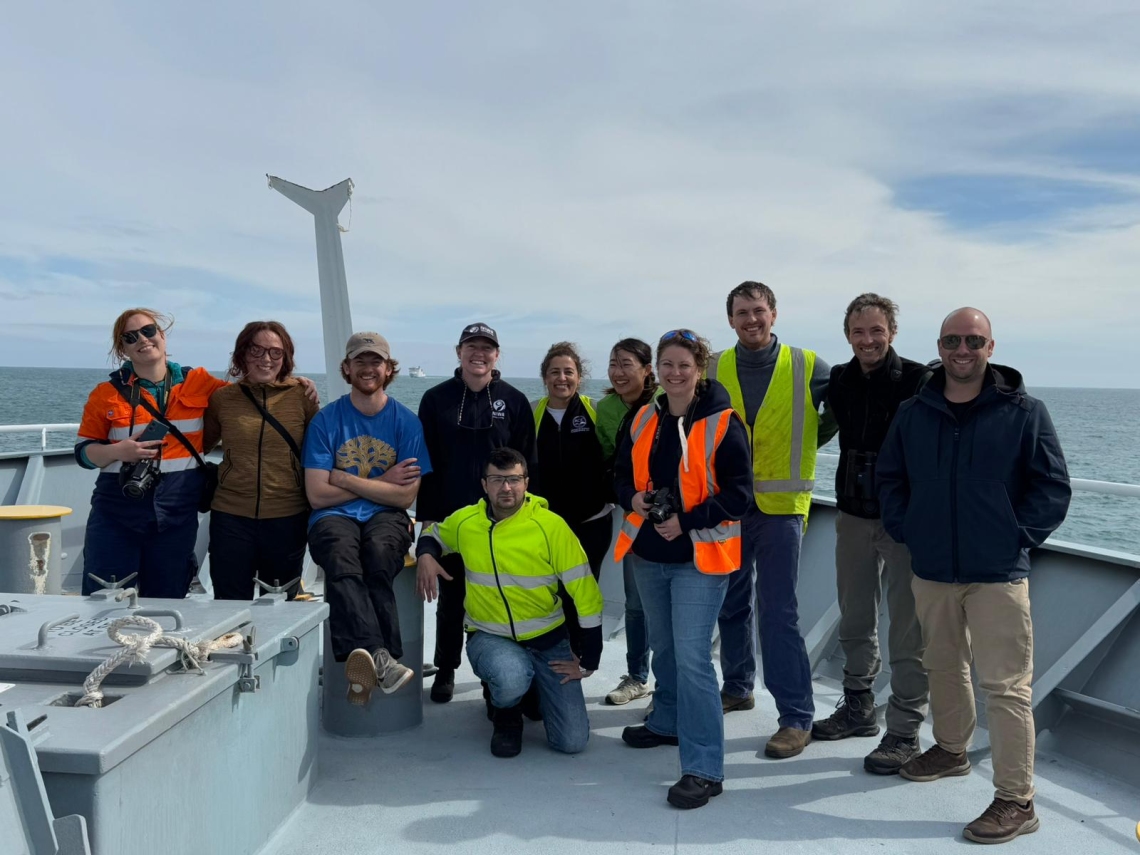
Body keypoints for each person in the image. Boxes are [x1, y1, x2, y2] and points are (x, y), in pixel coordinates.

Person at [877, 307, 1070, 844]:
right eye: (952, 340)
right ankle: (951, 749)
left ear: (991, 346)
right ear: (939, 347)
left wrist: (1014, 536)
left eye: (974, 340)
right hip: (932, 567)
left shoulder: (1025, 412)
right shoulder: (915, 412)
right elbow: (890, 478)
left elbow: (1051, 488)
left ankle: (1016, 799)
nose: (962, 350)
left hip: (996, 574)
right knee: (941, 664)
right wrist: (911, 529)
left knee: (1005, 687)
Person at [614, 329, 752, 809]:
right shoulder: (642, 418)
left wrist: (686, 521)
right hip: (650, 554)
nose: (675, 374)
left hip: (701, 556)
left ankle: (704, 768)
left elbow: (740, 495)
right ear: (658, 369)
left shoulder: (724, 423)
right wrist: (631, 498)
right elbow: (617, 474)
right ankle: (667, 721)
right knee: (664, 646)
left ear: (700, 370)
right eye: (667, 365)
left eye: (684, 366)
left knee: (693, 657)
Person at [710, 281, 837, 759]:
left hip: (782, 511)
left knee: (778, 612)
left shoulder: (809, 366)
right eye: (741, 312)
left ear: (774, 313)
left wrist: (802, 446)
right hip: (728, 505)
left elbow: (832, 419)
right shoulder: (712, 366)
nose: (751, 320)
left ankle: (796, 717)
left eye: (758, 311)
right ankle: (738, 686)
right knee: (730, 601)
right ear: (730, 319)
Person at [810, 294, 932, 775]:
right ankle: (859, 707)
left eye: (876, 331)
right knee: (856, 616)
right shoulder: (839, 379)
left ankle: (904, 730)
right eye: (859, 332)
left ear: (892, 332)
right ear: (847, 336)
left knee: (907, 627)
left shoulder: (920, 381)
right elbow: (812, 429)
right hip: (853, 515)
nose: (868, 340)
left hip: (903, 521)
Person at [416, 447, 602, 758]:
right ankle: (506, 715)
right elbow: (434, 534)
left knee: (571, 741)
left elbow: (585, 594)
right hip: (490, 636)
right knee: (511, 676)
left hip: (548, 640)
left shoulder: (551, 527)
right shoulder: (466, 522)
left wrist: (588, 660)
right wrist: (425, 554)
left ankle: (529, 692)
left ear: (527, 483)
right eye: (497, 480)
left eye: (514, 480)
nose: (506, 488)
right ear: (484, 484)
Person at [303, 332, 432, 705]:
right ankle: (381, 657)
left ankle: (366, 661)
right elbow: (317, 494)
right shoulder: (326, 422)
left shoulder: (406, 423)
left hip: (388, 516)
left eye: (376, 361)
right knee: (341, 557)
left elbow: (406, 495)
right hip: (331, 516)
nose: (368, 368)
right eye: (359, 361)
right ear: (346, 368)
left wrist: (342, 478)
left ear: (389, 369)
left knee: (378, 554)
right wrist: (378, 482)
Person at [416, 322, 537, 703]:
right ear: (459, 352)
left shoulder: (515, 401)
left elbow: (527, 465)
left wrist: (525, 517)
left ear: (497, 355)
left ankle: (492, 676)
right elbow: (426, 465)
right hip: (451, 519)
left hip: (500, 520)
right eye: (471, 346)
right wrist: (427, 525)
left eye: (487, 348)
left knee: (497, 598)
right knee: (451, 602)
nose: (478, 354)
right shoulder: (435, 399)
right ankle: (446, 669)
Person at [75, 308, 228, 598]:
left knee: (168, 598)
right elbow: (84, 453)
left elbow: (244, 397)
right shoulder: (105, 393)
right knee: (104, 598)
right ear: (123, 348)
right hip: (116, 509)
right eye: (130, 337)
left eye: (148, 331)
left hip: (176, 511)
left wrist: (298, 383)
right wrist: (119, 450)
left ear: (162, 335)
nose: (142, 340)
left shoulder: (199, 381)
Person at [204, 321, 318, 600]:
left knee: (280, 606)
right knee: (229, 604)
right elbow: (199, 445)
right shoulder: (223, 399)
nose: (266, 359)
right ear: (241, 354)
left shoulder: (303, 396)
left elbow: (318, 453)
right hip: (230, 517)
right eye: (256, 350)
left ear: (286, 358)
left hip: (287, 517)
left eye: (275, 352)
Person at [531, 342, 611, 660]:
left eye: (569, 372)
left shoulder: (596, 411)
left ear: (579, 377)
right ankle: (553, 659)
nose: (561, 378)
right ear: (544, 377)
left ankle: (581, 659)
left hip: (592, 523)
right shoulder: (532, 412)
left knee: (584, 596)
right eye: (554, 372)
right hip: (546, 527)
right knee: (552, 595)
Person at [595, 338, 659, 706]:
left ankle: (669, 683)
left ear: (647, 370)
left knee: (666, 604)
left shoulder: (664, 402)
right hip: (634, 514)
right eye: (613, 363)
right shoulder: (605, 409)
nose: (618, 372)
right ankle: (637, 676)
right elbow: (607, 461)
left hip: (675, 517)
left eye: (627, 364)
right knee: (635, 602)